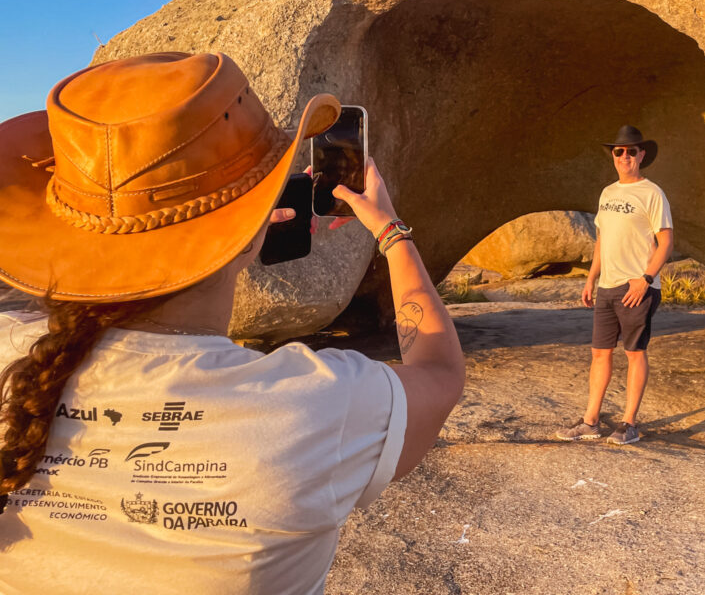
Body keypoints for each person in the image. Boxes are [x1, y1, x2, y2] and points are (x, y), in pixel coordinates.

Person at [0, 52, 464, 594]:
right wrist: (391, 232)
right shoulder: (316, 406)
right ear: (249, 235)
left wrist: (222, 235)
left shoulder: (14, 354)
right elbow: (439, 370)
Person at [556, 125, 673, 445]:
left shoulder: (652, 193)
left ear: (642, 155)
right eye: (619, 151)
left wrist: (645, 280)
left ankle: (629, 424)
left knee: (635, 353)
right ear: (613, 155)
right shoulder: (608, 193)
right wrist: (591, 278)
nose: (625, 156)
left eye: (631, 151)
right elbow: (602, 239)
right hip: (608, 286)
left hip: (637, 287)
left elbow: (666, 242)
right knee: (599, 353)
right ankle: (590, 421)